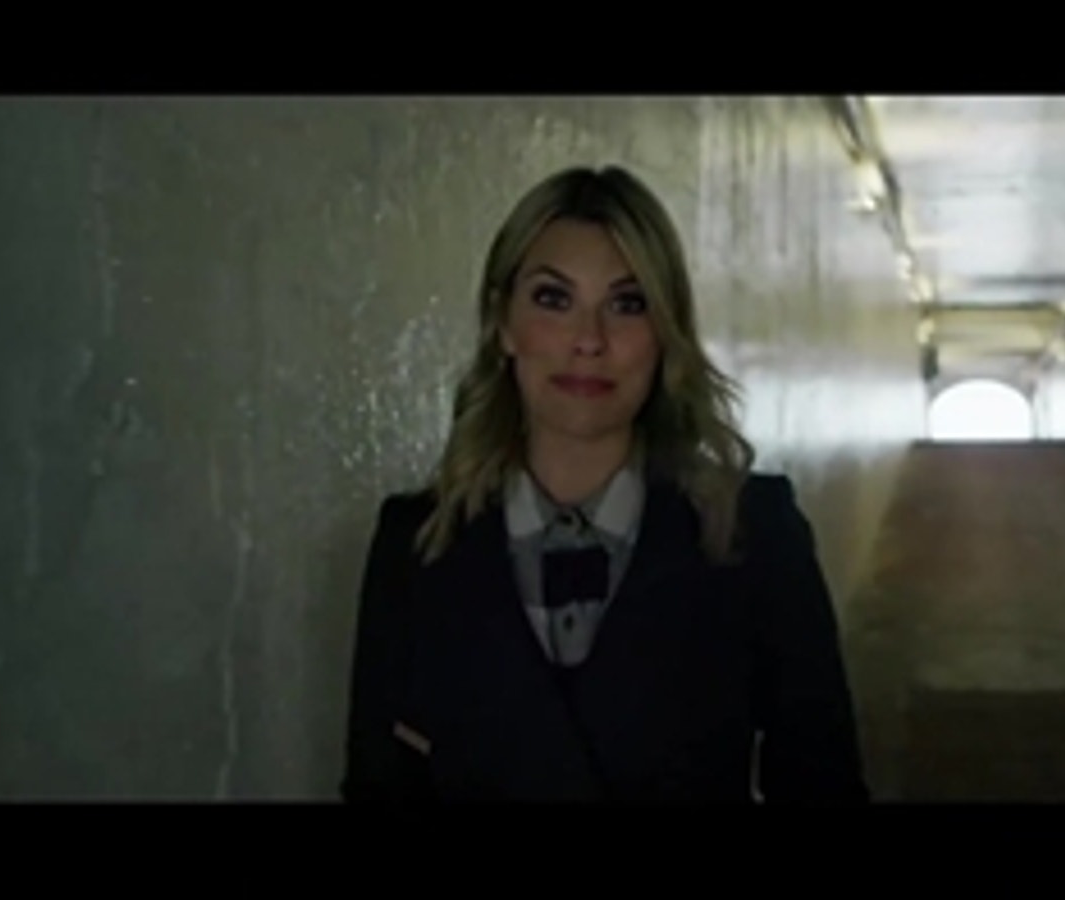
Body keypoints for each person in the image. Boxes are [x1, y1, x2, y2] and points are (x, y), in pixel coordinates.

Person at [340, 164, 868, 803]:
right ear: (503, 323)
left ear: (665, 333)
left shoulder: (757, 530)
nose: (589, 341)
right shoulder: (416, 542)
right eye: (553, 300)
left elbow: (822, 782)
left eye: (627, 303)